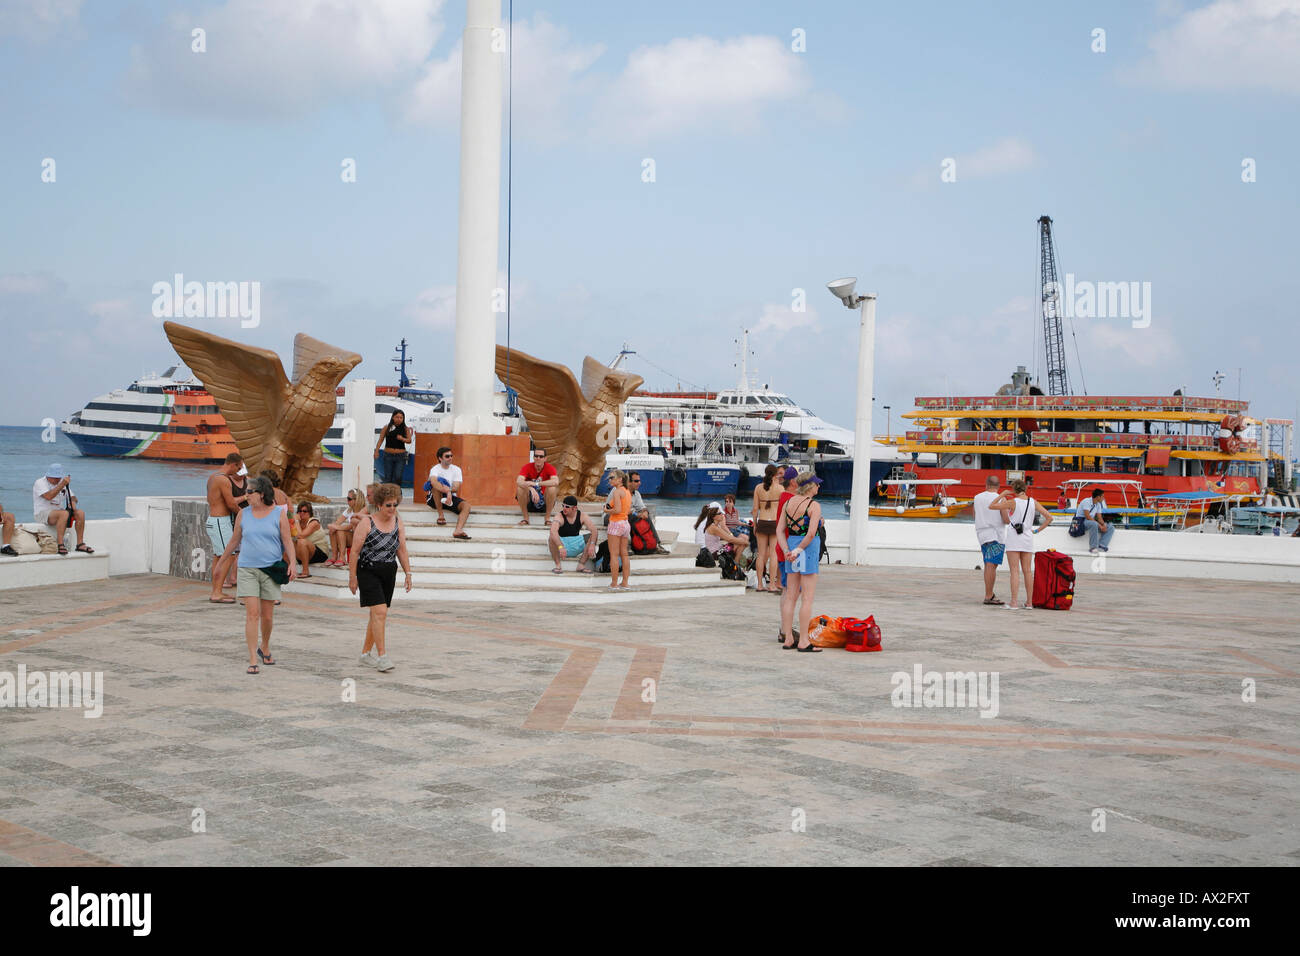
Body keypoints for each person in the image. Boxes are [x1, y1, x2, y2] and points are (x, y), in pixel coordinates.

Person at [217, 476, 297, 674]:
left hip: (271, 569)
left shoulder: (279, 513)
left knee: (267, 616)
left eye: (249, 492)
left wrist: (293, 563)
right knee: (252, 614)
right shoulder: (243, 514)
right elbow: (235, 541)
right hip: (247, 569)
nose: (246, 496)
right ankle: (253, 658)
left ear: (261, 494)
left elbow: (287, 541)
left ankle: (265, 647)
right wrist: (221, 562)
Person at [350, 483, 412, 673]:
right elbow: (354, 552)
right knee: (380, 612)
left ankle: (365, 654)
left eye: (395, 505)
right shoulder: (366, 522)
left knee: (377, 614)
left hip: (388, 570)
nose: (392, 509)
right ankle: (382, 656)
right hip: (368, 570)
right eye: (388, 505)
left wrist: (408, 573)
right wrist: (352, 577)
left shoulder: (398, 522)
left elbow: (401, 548)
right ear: (379, 505)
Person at [988, 478, 1054, 610]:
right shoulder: (1033, 502)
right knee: (1028, 571)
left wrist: (1002, 495)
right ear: (1025, 489)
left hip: (1014, 538)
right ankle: (1029, 603)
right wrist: (1036, 530)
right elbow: (1049, 517)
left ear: (1014, 490)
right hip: (1028, 537)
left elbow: (991, 506)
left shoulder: (1012, 502)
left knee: (1014, 571)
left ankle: (1014, 603)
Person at [777, 473, 824, 652]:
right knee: (807, 598)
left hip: (791, 549)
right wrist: (799, 550)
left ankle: (788, 637)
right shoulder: (814, 505)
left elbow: (780, 530)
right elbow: (811, 533)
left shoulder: (788, 503)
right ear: (809, 486)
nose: (818, 487)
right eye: (816, 485)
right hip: (807, 550)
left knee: (790, 596)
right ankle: (804, 641)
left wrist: (788, 550)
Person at [204, 453, 248, 603]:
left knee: (218, 557)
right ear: (233, 464)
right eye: (239, 467)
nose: (239, 470)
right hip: (219, 521)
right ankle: (216, 593)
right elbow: (231, 504)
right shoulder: (223, 480)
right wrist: (244, 515)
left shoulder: (213, 477)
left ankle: (217, 590)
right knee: (228, 555)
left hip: (215, 520)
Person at [33, 464, 92, 556]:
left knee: (80, 513)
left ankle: (80, 544)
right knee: (64, 514)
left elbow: (73, 496)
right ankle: (60, 544)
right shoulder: (40, 482)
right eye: (54, 478)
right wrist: (62, 484)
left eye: (58, 478)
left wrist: (73, 503)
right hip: (43, 513)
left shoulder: (61, 482)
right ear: (48, 476)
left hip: (59, 513)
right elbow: (49, 496)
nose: (57, 480)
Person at [973, 474, 1011, 606]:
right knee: (991, 565)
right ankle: (988, 595)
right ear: (999, 486)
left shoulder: (977, 497)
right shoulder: (1000, 499)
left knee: (988, 564)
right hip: (995, 534)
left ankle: (989, 593)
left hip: (982, 534)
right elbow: (1006, 519)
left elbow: (975, 514)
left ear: (986, 484)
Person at [427, 446, 472, 540]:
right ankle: (441, 515)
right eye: (447, 456)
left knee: (466, 506)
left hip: (450, 498)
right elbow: (434, 482)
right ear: (440, 458)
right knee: (435, 488)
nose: (450, 458)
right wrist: (447, 491)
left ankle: (458, 530)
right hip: (434, 498)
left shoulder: (456, 469)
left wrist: (449, 492)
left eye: (451, 456)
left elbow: (456, 487)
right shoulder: (435, 469)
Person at [751, 464, 783, 593]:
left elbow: (754, 509)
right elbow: (782, 509)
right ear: (775, 474)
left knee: (761, 554)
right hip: (775, 522)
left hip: (762, 522)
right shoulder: (780, 488)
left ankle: (759, 584)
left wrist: (754, 524)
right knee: (774, 555)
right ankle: (771, 585)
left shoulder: (758, 488)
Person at [549, 495, 598, 573]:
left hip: (575, 544)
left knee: (592, 536)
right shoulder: (559, 516)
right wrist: (560, 546)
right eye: (563, 506)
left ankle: (581, 565)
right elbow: (553, 531)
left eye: (567, 507)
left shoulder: (582, 516)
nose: (564, 508)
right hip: (562, 544)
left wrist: (592, 544)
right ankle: (558, 565)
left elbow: (594, 530)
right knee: (551, 536)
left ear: (575, 508)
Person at [625, 471, 670, 554]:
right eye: (636, 481)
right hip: (611, 515)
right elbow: (623, 510)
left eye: (639, 481)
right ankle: (627, 546)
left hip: (630, 514)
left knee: (646, 517)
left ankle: (656, 544)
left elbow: (642, 507)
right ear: (628, 482)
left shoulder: (636, 494)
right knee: (631, 518)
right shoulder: (621, 491)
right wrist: (637, 514)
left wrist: (645, 512)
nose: (639, 483)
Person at [604, 470, 633, 590]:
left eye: (612, 477)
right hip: (625, 523)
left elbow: (616, 510)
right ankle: (625, 582)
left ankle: (614, 583)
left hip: (616, 523)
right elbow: (627, 510)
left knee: (614, 555)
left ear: (620, 479)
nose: (610, 480)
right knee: (624, 554)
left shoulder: (617, 492)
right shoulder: (627, 492)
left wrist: (606, 511)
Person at [515, 448, 558, 525]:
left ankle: (547, 519)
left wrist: (537, 484)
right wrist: (531, 488)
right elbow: (519, 481)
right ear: (533, 457)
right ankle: (526, 518)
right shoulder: (527, 467)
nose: (538, 458)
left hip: (544, 504)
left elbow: (555, 481)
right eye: (536, 456)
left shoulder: (550, 468)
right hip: (529, 503)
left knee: (552, 488)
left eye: (541, 456)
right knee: (520, 489)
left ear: (545, 458)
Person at [325, 488, 366, 567]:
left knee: (339, 530)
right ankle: (334, 556)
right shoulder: (349, 510)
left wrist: (336, 527)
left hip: (360, 539)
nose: (347, 501)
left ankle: (342, 557)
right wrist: (333, 527)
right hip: (353, 537)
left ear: (356, 500)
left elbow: (351, 526)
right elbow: (338, 522)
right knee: (332, 530)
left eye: (349, 499)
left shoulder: (363, 510)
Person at [374, 410, 414, 489]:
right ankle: (388, 495)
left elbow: (409, 440)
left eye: (401, 418)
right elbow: (381, 439)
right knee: (388, 477)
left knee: (398, 477)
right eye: (397, 417)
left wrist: (402, 439)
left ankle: (397, 494)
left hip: (400, 455)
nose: (399, 419)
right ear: (393, 417)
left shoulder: (405, 428)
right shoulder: (387, 427)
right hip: (388, 454)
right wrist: (377, 451)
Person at [292, 502, 330, 578]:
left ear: (310, 513)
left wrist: (296, 521)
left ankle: (305, 571)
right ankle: (287, 571)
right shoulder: (298, 523)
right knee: (286, 543)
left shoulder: (314, 522)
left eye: (304, 511)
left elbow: (301, 536)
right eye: (299, 511)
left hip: (320, 553)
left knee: (301, 541)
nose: (301, 513)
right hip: (304, 553)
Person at [1077, 488, 1115, 554]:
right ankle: (1093, 547)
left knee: (1110, 526)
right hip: (1081, 521)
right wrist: (1099, 525)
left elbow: (1099, 518)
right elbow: (1087, 516)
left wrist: (1104, 525)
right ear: (1098, 497)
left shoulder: (1098, 504)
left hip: (1090, 521)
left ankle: (1102, 545)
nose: (1103, 498)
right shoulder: (1086, 501)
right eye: (1102, 496)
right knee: (1094, 524)